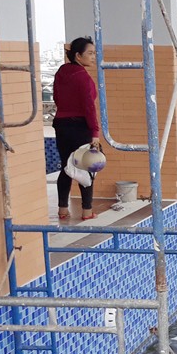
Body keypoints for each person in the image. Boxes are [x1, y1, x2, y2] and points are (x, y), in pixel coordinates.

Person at [53, 36, 102, 221]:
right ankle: (87, 211)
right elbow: (89, 107)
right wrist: (95, 133)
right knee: (87, 166)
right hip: (80, 127)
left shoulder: (61, 72)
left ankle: (63, 210)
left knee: (66, 166)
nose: (93, 57)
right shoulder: (83, 78)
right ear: (78, 56)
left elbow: (57, 98)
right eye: (90, 53)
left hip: (61, 125)